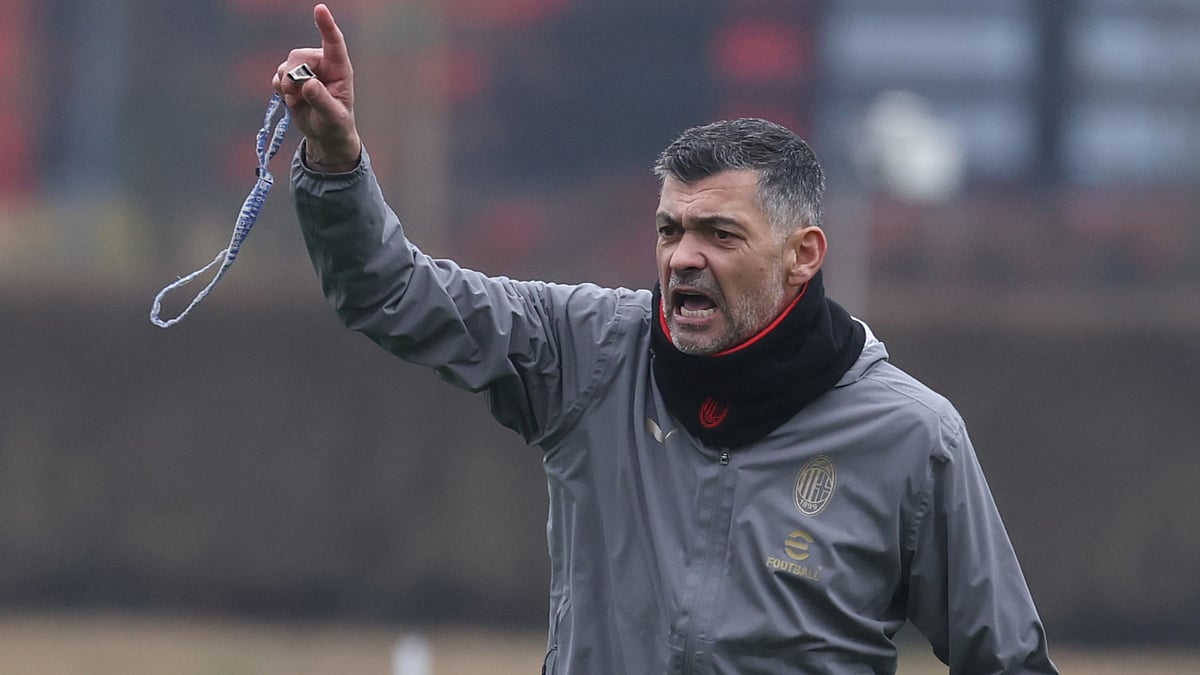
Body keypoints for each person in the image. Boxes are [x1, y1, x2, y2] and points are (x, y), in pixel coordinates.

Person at [275, 5, 1058, 674]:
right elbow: (393, 292)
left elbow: (1009, 659)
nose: (684, 256)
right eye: (670, 229)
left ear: (803, 256)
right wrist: (337, 166)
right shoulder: (588, 351)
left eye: (719, 233)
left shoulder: (912, 436)